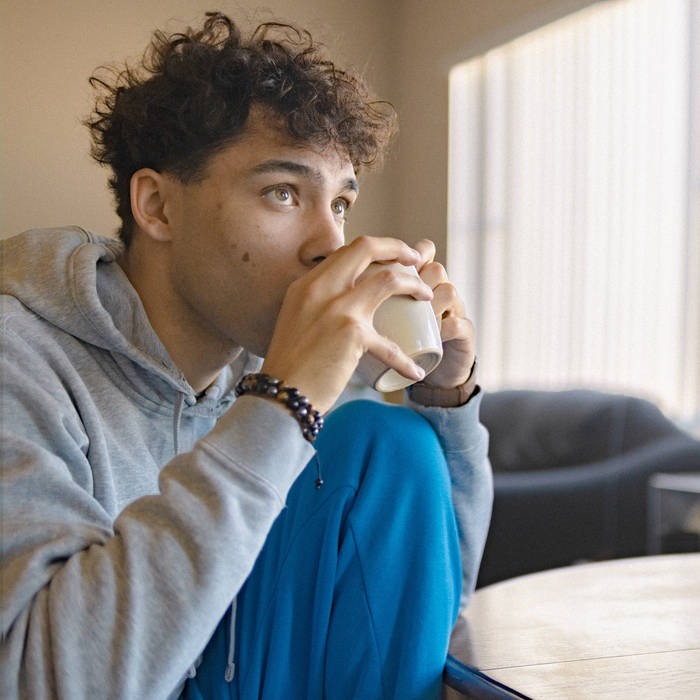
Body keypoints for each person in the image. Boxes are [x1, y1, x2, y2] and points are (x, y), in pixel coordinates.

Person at [0, 12, 492, 700]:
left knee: (391, 440)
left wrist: (444, 400)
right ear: (157, 207)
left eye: (340, 203)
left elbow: (425, 617)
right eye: (283, 193)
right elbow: (43, 681)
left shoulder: (279, 370)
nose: (329, 245)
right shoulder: (20, 358)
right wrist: (281, 404)